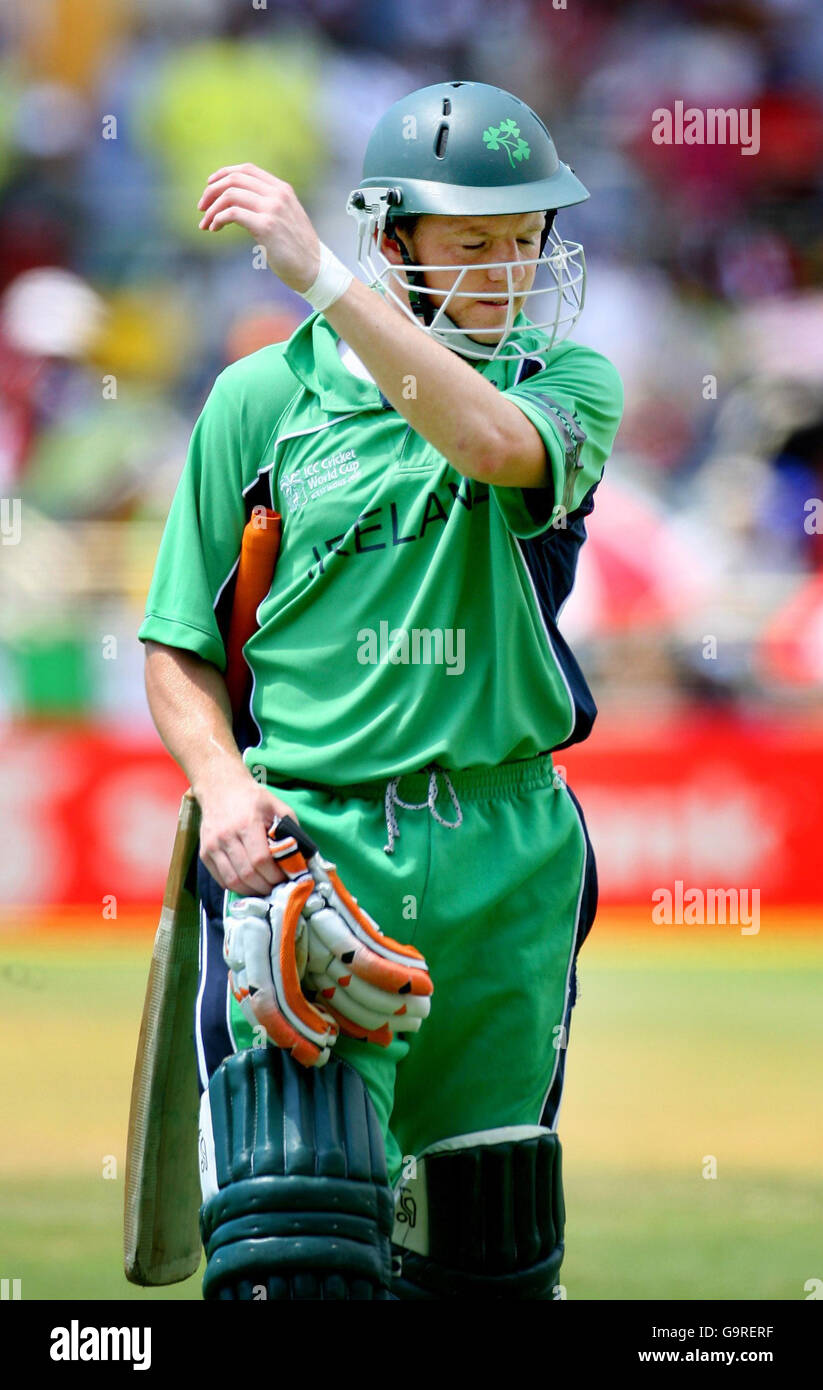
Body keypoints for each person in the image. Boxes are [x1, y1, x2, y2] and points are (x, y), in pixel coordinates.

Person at [139, 80, 624, 1301]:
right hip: (310, 854)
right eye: (475, 244)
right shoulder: (257, 402)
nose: (510, 271)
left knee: (485, 1262)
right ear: (393, 234)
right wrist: (221, 784)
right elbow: (176, 645)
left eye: (527, 240)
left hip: (509, 850)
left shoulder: (567, 385)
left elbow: (488, 448)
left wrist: (316, 279)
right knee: (294, 1256)